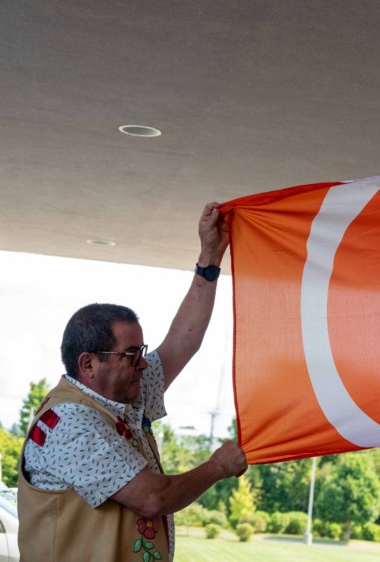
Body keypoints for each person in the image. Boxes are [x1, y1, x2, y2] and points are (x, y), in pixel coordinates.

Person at [17, 202, 248, 561]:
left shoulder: (123, 398)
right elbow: (152, 498)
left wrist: (210, 259)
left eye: (141, 352)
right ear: (88, 364)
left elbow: (182, 341)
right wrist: (218, 467)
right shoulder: (70, 422)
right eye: (131, 355)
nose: (143, 365)